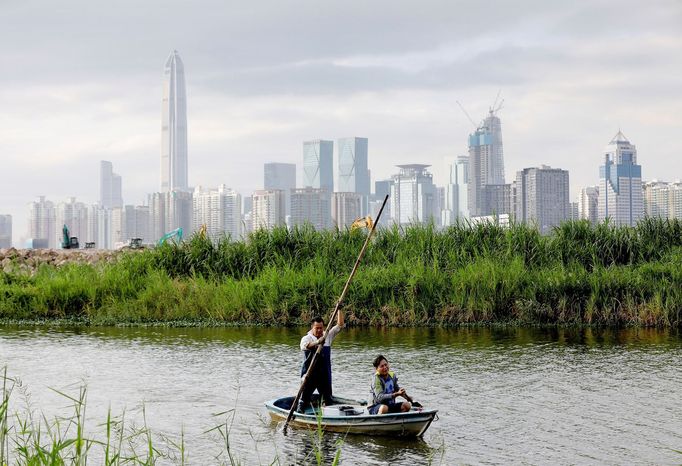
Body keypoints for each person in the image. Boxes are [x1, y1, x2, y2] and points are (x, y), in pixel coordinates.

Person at [297, 311, 344, 413]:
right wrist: (318, 342)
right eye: (316, 328)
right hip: (310, 374)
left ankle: (328, 417)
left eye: (321, 328)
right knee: (303, 400)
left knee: (328, 400)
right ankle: (299, 415)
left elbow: (340, 325)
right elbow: (307, 346)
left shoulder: (327, 335)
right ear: (312, 327)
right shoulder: (306, 338)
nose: (319, 330)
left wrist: (340, 309)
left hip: (324, 375)